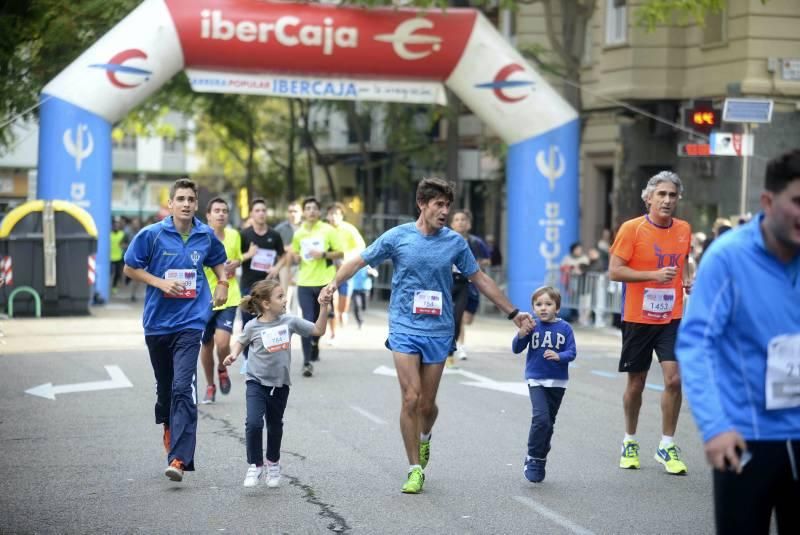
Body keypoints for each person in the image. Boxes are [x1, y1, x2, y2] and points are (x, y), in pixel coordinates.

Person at [321, 177, 533, 494]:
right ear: (422, 204)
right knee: (411, 397)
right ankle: (414, 469)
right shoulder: (399, 236)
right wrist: (333, 284)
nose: (445, 211)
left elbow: (480, 279)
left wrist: (514, 313)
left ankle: (425, 436)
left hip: (438, 329)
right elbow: (359, 260)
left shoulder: (454, 243)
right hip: (404, 326)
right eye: (439, 204)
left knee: (427, 406)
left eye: (448, 205)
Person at [676, 149, 800, 534]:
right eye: (798, 201)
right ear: (767, 201)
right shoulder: (728, 258)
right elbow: (696, 344)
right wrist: (715, 427)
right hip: (745, 438)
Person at [123, 178, 228, 482]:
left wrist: (222, 283)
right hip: (157, 323)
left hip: (191, 320)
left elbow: (218, 261)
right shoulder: (152, 235)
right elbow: (130, 267)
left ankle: (179, 459)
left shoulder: (205, 235)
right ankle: (168, 423)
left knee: (183, 387)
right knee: (166, 388)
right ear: (170, 204)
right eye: (180, 198)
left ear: (196, 204)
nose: (185, 204)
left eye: (191, 199)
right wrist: (160, 282)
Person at [608, 170, 692, 475]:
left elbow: (684, 260)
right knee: (637, 383)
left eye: (672, 195)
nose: (667, 200)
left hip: (671, 316)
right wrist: (652, 276)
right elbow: (615, 271)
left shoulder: (683, 229)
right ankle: (630, 439)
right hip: (637, 317)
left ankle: (667, 445)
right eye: (662, 194)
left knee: (674, 379)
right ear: (649, 198)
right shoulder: (632, 229)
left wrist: (687, 279)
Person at [223, 279, 332, 488]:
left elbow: (318, 330)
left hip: (280, 384)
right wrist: (233, 354)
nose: (285, 300)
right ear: (266, 303)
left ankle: (273, 462)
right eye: (280, 296)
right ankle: (255, 464)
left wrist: (324, 305)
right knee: (254, 423)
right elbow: (241, 340)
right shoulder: (252, 325)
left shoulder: (289, 321)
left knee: (274, 426)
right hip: (255, 382)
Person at [512, 286, 576, 483]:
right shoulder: (532, 326)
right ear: (533, 307)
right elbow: (516, 348)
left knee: (549, 423)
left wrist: (559, 356)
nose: (543, 308)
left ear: (557, 307)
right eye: (538, 304)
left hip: (558, 382)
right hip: (536, 379)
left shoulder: (565, 328)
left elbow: (572, 352)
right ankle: (533, 457)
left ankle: (541, 458)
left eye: (548, 304)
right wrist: (522, 333)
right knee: (541, 419)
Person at [291, 197, 343, 377]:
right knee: (307, 320)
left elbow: (340, 252)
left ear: (319, 212)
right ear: (304, 212)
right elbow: (295, 254)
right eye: (308, 208)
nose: (311, 211)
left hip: (324, 282)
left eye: (314, 208)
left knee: (320, 320)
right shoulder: (299, 233)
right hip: (304, 282)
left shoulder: (328, 230)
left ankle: (315, 343)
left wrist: (323, 254)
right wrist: (296, 258)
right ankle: (306, 362)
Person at [199, 197, 242, 404]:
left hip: (230, 295)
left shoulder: (234, 235)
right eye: (216, 210)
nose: (221, 214)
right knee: (206, 345)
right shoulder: (200, 237)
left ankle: (222, 369)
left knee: (222, 342)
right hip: (204, 299)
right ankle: (210, 385)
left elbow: (238, 257)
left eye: (224, 210)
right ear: (208, 215)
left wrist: (235, 263)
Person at [448, 209, 491, 364]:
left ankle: (457, 343)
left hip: (470, 282)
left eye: (463, 220)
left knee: (467, 319)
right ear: (452, 224)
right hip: (450, 281)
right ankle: (457, 346)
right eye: (457, 220)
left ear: (469, 224)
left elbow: (487, 259)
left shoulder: (475, 242)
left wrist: (479, 263)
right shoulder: (446, 239)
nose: (460, 222)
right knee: (456, 316)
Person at [239, 198, 288, 332]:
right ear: (252, 214)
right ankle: (248, 353)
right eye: (257, 210)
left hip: (268, 287)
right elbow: (236, 259)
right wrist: (249, 254)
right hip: (248, 286)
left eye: (263, 210)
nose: (261, 213)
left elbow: (283, 256)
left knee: (268, 324)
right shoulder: (244, 235)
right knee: (248, 324)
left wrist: (276, 268)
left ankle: (265, 352)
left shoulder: (275, 235)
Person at [325, 202, 366, 340]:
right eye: (331, 213)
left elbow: (361, 246)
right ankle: (333, 334)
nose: (334, 216)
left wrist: (346, 254)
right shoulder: (324, 229)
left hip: (346, 272)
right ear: (327, 215)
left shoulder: (349, 229)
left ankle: (342, 314)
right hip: (329, 272)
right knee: (333, 306)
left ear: (342, 216)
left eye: (337, 214)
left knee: (342, 309)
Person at [274, 201, 302, 314]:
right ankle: (285, 320)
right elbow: (274, 247)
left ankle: (299, 321)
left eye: (295, 211)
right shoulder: (280, 228)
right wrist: (287, 248)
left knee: (299, 295)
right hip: (284, 265)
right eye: (290, 211)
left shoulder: (306, 227)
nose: (293, 214)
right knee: (285, 295)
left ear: (301, 213)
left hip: (303, 265)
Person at [110, 219, 127, 296]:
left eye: (117, 225)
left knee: (117, 273)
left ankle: (114, 286)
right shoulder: (109, 234)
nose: (116, 227)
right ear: (112, 226)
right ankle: (109, 285)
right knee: (110, 273)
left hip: (119, 257)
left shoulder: (122, 234)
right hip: (109, 257)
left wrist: (123, 246)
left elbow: (126, 244)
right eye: (115, 225)